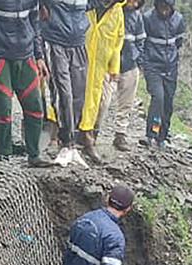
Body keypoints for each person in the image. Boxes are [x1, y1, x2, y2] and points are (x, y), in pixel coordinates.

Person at [0, 0, 51, 167]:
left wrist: (39, 57)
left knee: (35, 107)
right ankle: (4, 156)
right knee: (3, 109)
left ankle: (34, 155)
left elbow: (35, 25)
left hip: (26, 56)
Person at [77, 0, 125, 164]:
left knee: (96, 102)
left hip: (100, 65)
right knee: (72, 97)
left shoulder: (117, 10)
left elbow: (118, 40)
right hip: (78, 58)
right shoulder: (87, 4)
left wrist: (114, 67)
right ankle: (62, 138)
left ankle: (88, 139)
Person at [41, 0, 89, 161]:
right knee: (63, 93)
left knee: (79, 95)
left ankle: (72, 142)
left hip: (79, 41)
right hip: (56, 40)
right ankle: (65, 141)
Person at [140, 0, 184, 149]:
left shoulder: (179, 20)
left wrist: (173, 60)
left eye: (166, 7)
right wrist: (144, 63)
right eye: (161, 7)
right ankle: (150, 134)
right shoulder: (147, 18)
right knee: (158, 98)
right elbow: (142, 43)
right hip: (153, 66)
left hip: (171, 67)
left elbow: (178, 43)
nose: (163, 10)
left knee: (168, 102)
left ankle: (162, 136)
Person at [107, 0, 145, 151]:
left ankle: (120, 134)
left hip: (129, 64)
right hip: (109, 64)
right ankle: (91, 131)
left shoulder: (137, 17)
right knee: (103, 100)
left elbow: (141, 41)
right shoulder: (112, 11)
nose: (134, 3)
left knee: (126, 103)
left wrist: (137, 59)